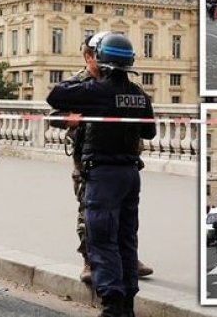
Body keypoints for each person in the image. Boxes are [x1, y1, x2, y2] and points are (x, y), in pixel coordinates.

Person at [47, 32, 156, 317]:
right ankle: (128, 304)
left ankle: (111, 306)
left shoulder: (97, 91)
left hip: (103, 175)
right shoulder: (139, 94)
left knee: (102, 240)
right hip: (131, 175)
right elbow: (150, 131)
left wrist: (89, 80)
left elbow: (54, 95)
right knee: (127, 240)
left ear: (100, 59)